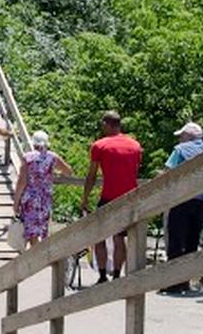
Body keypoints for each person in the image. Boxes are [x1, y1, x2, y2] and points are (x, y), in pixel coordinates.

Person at [81, 111, 142, 284]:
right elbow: (134, 172)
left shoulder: (99, 145)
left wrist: (85, 198)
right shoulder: (135, 146)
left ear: (107, 124)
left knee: (99, 237)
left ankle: (102, 275)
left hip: (108, 196)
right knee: (119, 238)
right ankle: (116, 274)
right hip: (129, 197)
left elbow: (91, 175)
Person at [160, 122, 203, 294]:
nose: (180, 138)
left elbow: (169, 172)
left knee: (176, 240)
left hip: (182, 199)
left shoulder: (180, 150)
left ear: (188, 136)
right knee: (192, 241)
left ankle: (173, 282)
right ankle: (185, 280)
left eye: (182, 135)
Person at [13, 130, 72, 246]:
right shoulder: (52, 157)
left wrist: (16, 203)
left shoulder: (28, 158)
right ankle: (41, 256)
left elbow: (21, 182)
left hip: (30, 199)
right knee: (43, 229)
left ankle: (36, 258)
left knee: (32, 231)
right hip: (45, 198)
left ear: (33, 143)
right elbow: (68, 171)